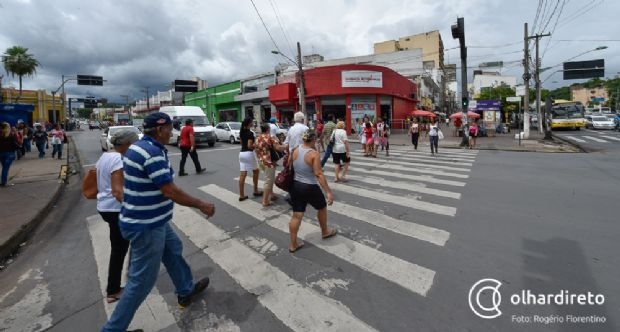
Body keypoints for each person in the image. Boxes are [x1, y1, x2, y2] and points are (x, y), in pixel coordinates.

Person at [101, 112, 215, 332]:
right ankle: (112, 330)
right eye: (170, 128)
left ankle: (185, 290)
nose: (172, 132)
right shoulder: (151, 152)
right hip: (146, 225)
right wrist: (201, 204)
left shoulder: (137, 147)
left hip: (151, 219)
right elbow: (170, 190)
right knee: (140, 282)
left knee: (173, 250)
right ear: (160, 130)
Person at [95, 129, 139, 304]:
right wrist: (132, 207)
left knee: (121, 246)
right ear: (127, 144)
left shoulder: (105, 156)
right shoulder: (117, 159)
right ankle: (113, 290)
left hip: (105, 207)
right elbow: (117, 190)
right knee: (120, 249)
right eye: (134, 144)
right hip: (116, 209)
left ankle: (121, 284)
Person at [288, 129, 336, 253]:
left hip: (296, 185)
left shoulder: (295, 150)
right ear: (313, 139)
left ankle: (293, 245)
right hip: (309, 186)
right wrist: (328, 192)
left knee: (297, 215)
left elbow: (289, 165)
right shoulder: (313, 154)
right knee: (322, 207)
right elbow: (319, 174)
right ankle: (325, 231)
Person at [256, 123, 286, 206]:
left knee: (269, 178)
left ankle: (271, 194)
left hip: (261, 161)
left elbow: (256, 149)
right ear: (268, 129)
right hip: (269, 162)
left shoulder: (258, 138)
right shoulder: (270, 137)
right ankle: (265, 201)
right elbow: (278, 148)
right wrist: (287, 147)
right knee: (268, 180)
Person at [238, 117, 262, 201]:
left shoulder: (241, 132)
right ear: (249, 123)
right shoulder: (250, 133)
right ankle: (255, 190)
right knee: (256, 171)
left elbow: (241, 143)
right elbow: (249, 145)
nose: (253, 123)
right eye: (252, 122)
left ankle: (241, 195)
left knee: (242, 175)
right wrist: (256, 146)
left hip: (241, 154)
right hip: (249, 153)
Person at [0, 122, 19, 187]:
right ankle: (4, 182)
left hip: (1, 153)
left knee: (4, 168)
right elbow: (16, 143)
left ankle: (3, 181)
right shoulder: (11, 135)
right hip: (9, 153)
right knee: (5, 168)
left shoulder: (1, 135)